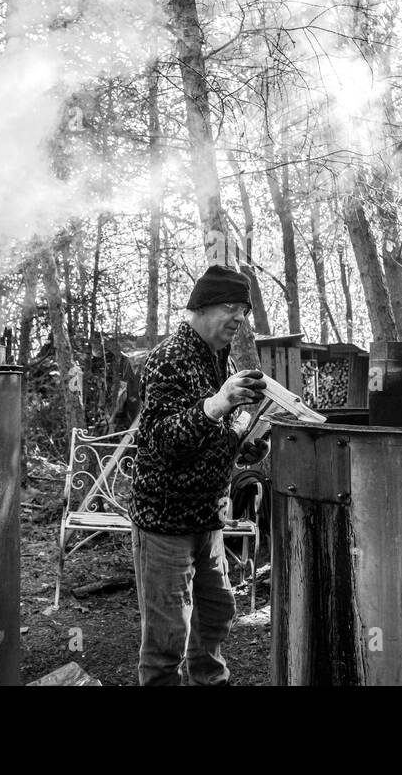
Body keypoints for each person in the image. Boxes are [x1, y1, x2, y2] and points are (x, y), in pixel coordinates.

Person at [130, 264, 269, 685]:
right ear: (204, 306)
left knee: (214, 619)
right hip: (166, 523)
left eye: (244, 310)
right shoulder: (168, 359)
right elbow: (162, 440)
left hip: (206, 519)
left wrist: (248, 438)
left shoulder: (215, 358)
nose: (240, 319)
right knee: (167, 639)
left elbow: (212, 433)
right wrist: (217, 403)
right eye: (233, 308)